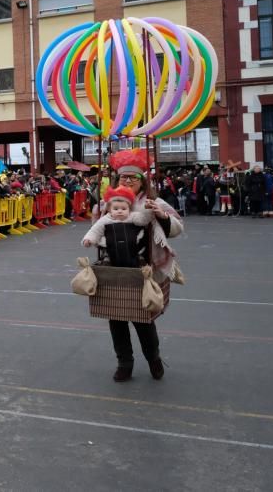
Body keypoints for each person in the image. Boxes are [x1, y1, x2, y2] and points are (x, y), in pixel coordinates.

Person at [97, 149, 182, 383]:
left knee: (144, 319)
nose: (127, 181)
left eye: (133, 178)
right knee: (116, 319)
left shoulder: (154, 201)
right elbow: (97, 227)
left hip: (143, 269)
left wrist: (162, 216)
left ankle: (153, 358)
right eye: (123, 178)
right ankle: (124, 362)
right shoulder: (109, 203)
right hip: (113, 269)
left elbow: (177, 226)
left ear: (142, 181)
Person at [81, 186, 154, 267]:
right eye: (116, 209)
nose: (120, 211)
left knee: (138, 247)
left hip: (131, 245)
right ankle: (107, 259)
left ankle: (140, 259)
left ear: (129, 209)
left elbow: (143, 220)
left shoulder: (132, 216)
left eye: (123, 209)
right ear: (109, 210)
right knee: (107, 249)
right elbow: (95, 230)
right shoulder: (106, 219)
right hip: (112, 245)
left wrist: (147, 210)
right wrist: (88, 239)